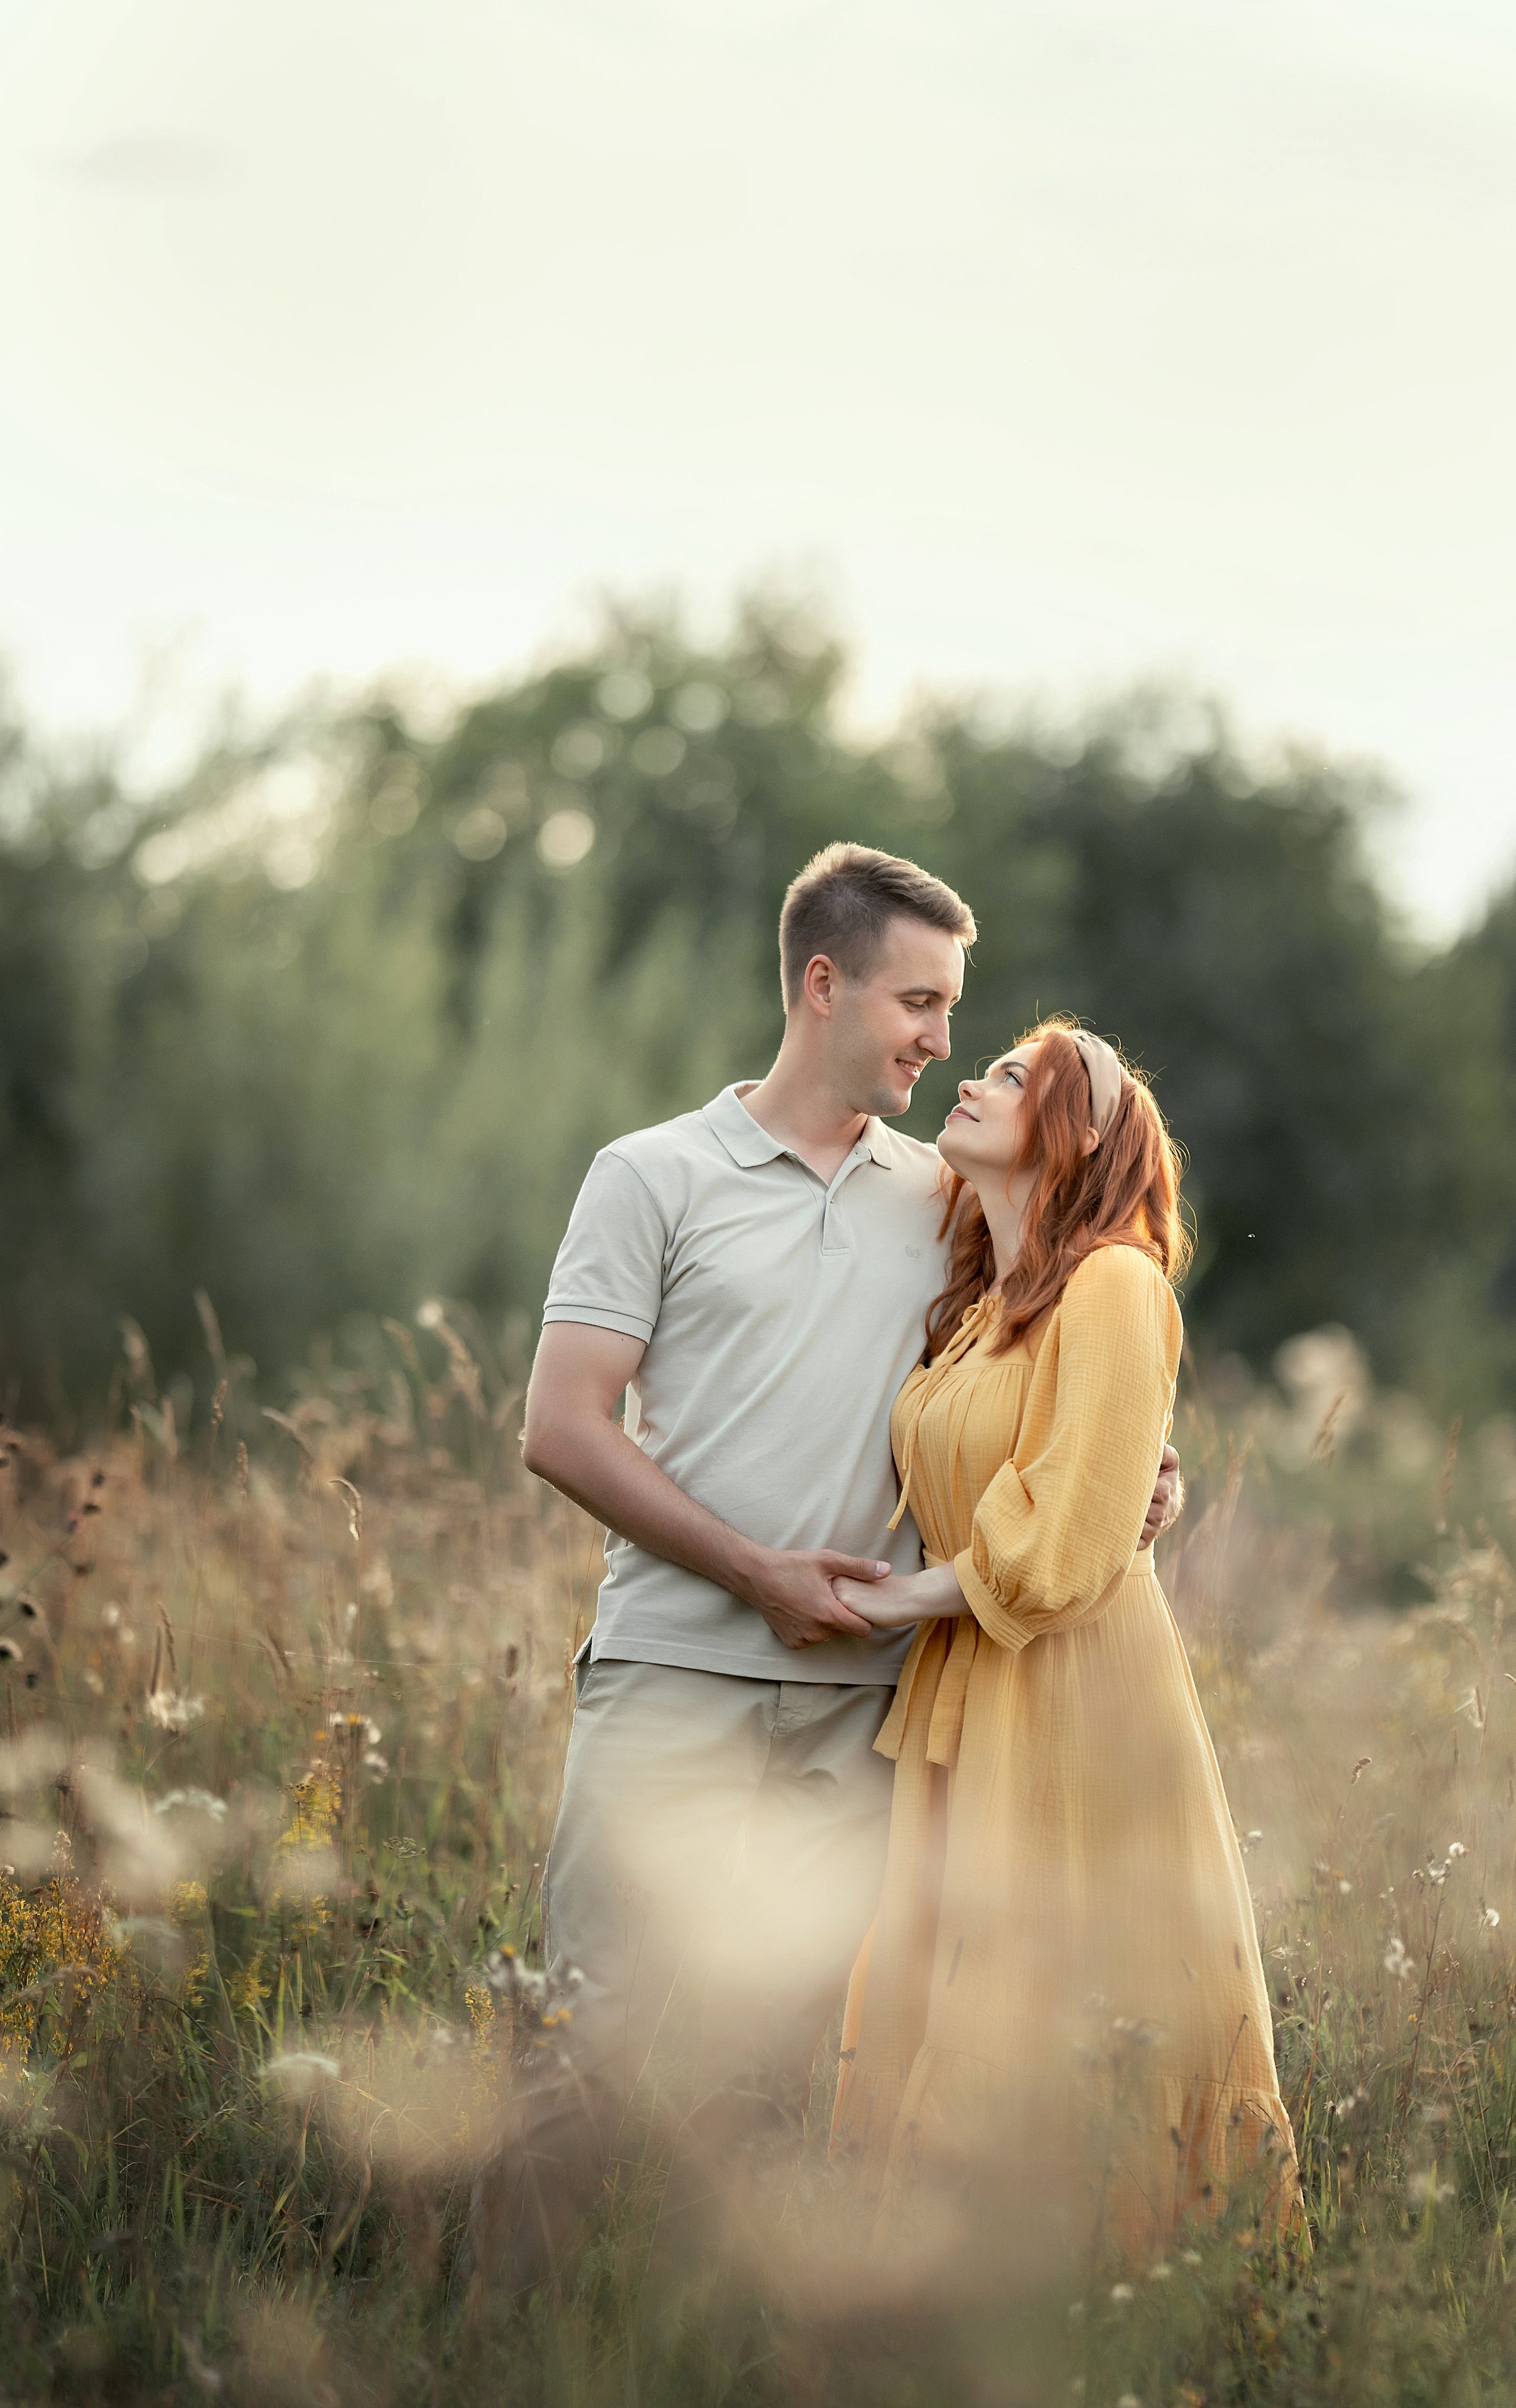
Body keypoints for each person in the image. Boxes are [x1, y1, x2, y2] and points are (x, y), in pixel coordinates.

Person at [468, 846, 1181, 2292]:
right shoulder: (650, 1175)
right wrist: (754, 1574)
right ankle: (500, 2333)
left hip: (871, 1707)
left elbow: (1058, 1360)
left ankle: (713, 2343)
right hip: (671, 1673)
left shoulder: (944, 1194)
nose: (939, 1038)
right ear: (821, 984)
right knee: (587, 2030)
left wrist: (1137, 1480)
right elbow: (560, 1428)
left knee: (787, 2066)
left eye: (950, 1008)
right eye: (919, 1002)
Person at [828, 1020, 1300, 2261]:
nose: (971, 1077)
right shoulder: (979, 1307)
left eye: (1013, 1075)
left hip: (1072, 1681)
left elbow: (1069, 1534)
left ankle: (1119, 2297)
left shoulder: (1114, 1283)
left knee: (1054, 1989)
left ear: (1074, 1136)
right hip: (970, 1670)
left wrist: (891, 1601)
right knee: (952, 1979)